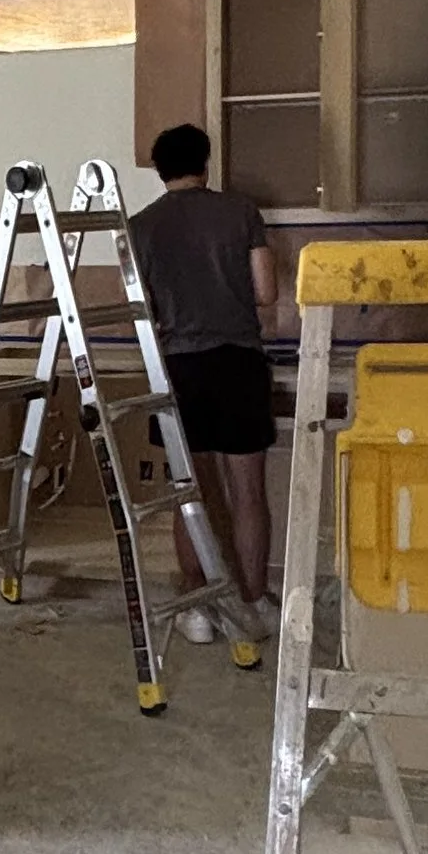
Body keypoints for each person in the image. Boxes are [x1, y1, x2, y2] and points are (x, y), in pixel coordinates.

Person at [127, 123, 275, 638]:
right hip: (238, 362)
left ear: (159, 170)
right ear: (205, 163)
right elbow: (266, 292)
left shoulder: (139, 227)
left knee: (189, 494)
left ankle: (197, 610)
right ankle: (254, 603)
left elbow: (140, 310)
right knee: (248, 493)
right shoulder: (241, 212)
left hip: (179, 369)